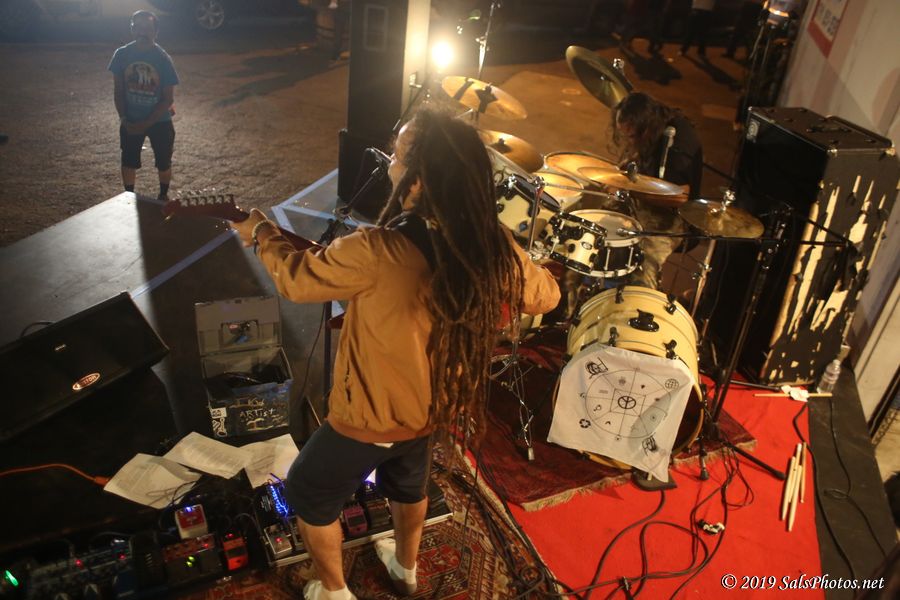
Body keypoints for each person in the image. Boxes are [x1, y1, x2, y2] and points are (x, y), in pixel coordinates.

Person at [230, 108, 560, 600]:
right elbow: (546, 296)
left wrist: (260, 233)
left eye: (398, 156)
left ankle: (334, 592)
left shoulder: (377, 249)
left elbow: (297, 280)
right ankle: (406, 571)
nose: (390, 163)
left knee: (307, 491)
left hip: (373, 419)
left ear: (418, 179)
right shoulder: (490, 245)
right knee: (408, 486)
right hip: (435, 409)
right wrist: (501, 249)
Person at [610, 92, 704, 289]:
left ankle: (640, 299)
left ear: (645, 128)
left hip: (673, 216)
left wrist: (630, 189)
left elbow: (680, 196)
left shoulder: (679, 142)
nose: (629, 141)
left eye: (632, 136)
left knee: (644, 265)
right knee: (597, 227)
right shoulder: (655, 125)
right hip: (646, 199)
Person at [108, 10, 179, 201]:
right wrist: (124, 118)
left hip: (160, 120)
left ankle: (163, 195)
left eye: (147, 28)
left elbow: (168, 99)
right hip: (131, 118)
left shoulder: (163, 59)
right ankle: (128, 196)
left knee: (164, 161)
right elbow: (118, 91)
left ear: (156, 31)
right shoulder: (122, 55)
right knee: (128, 160)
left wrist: (146, 123)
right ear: (131, 30)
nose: (142, 32)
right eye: (137, 27)